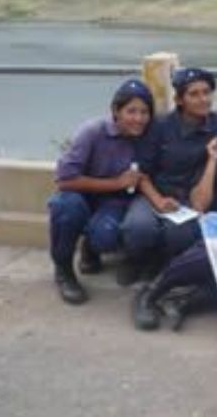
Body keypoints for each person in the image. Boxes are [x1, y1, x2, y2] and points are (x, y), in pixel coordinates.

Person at [120, 67, 217, 284]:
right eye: (194, 94)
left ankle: (163, 268)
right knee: (138, 227)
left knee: (180, 233)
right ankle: (136, 261)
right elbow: (141, 172)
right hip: (154, 192)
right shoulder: (160, 126)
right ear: (179, 99)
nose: (203, 100)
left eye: (206, 92)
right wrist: (158, 200)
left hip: (190, 198)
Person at [132, 118, 217, 331]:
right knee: (204, 256)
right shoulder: (214, 173)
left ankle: (182, 304)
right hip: (215, 241)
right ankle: (150, 294)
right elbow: (199, 204)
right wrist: (212, 160)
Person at [48, 79, 154, 304]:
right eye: (131, 111)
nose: (138, 118)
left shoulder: (146, 137)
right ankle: (63, 269)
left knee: (105, 235)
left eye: (144, 112)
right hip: (80, 195)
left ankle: (92, 247)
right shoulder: (92, 132)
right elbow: (64, 179)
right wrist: (116, 182)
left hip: (113, 201)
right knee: (65, 206)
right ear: (116, 111)